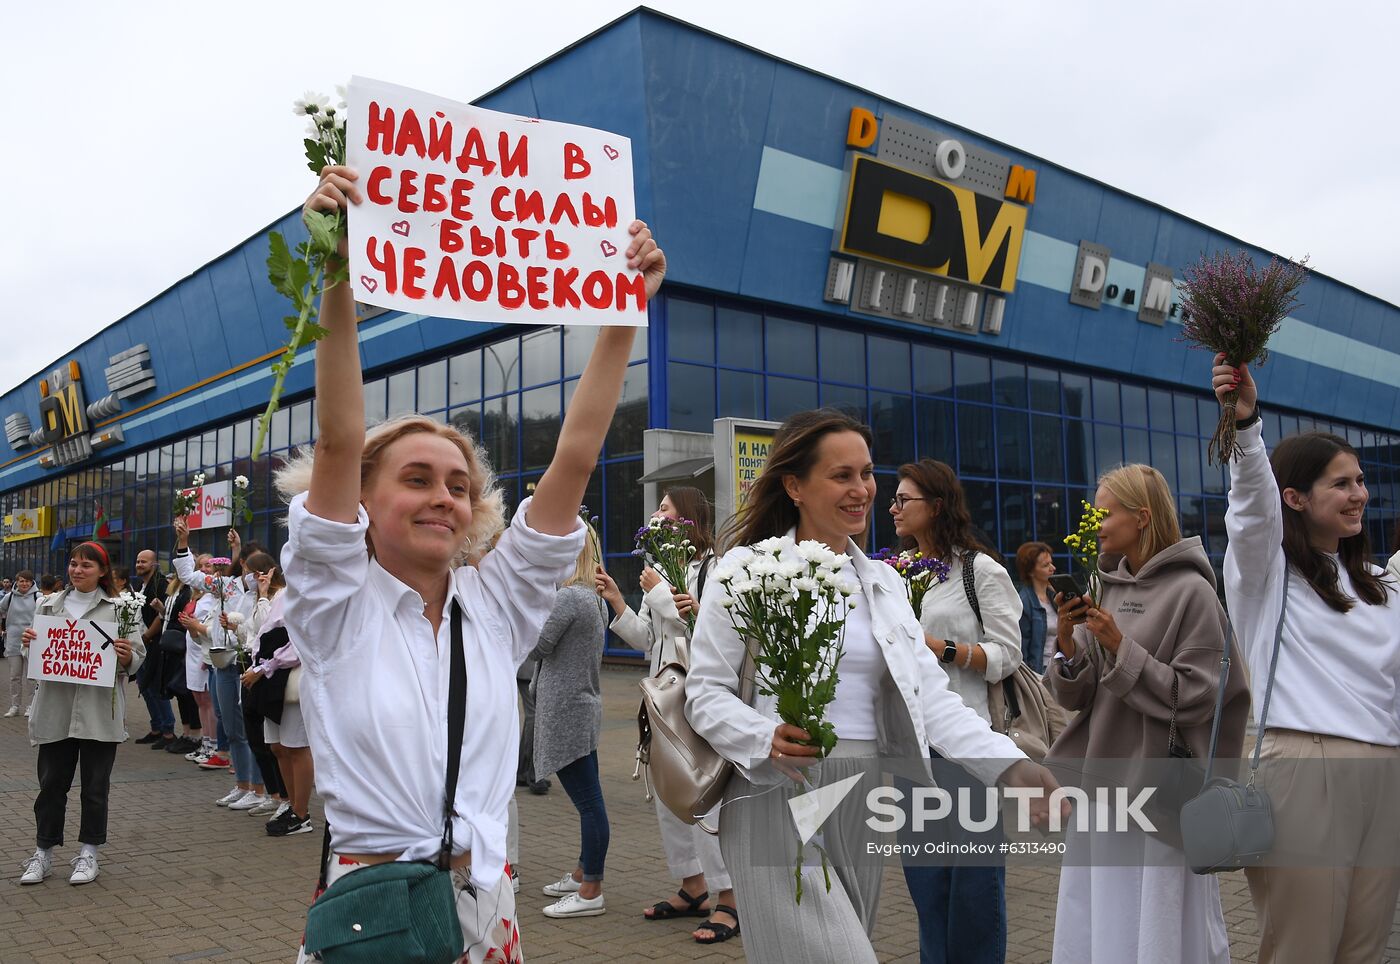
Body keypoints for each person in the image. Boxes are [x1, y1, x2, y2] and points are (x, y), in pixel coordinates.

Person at [278, 161, 665, 963]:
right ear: (364, 500)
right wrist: (337, 270)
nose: (443, 498)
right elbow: (338, 440)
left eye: (458, 486)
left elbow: (578, 454)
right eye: (415, 480)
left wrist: (623, 312)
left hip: (490, 914)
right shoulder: (334, 607)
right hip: (375, 918)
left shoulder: (495, 606)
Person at [686, 408, 1062, 963]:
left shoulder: (883, 582)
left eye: (866, 473)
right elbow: (705, 694)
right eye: (841, 476)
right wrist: (762, 735)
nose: (861, 489)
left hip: (864, 790)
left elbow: (931, 697)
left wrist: (1009, 764)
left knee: (848, 940)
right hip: (775, 789)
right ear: (794, 485)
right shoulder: (744, 571)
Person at [1211, 358, 1400, 964]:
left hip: (1385, 772)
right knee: (1303, 948)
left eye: (1362, 480)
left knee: (1364, 948)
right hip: (1304, 765)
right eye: (1341, 483)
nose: (1360, 495)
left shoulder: (1377, 583)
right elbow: (1251, 510)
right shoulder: (1264, 574)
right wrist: (1245, 428)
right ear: (1294, 496)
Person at [1045, 462, 1249, 963]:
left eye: (1103, 511)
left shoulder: (1193, 592)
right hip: (1102, 783)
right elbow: (1080, 697)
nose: (1095, 521)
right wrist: (1070, 645)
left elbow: (1198, 696)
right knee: (1099, 919)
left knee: (1154, 925)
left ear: (1140, 517)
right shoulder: (1108, 584)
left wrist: (1120, 645)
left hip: (1159, 793)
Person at [888, 459, 1024, 964]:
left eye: (905, 500)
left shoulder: (979, 570)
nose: (894, 508)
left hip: (967, 745)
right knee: (926, 886)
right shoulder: (893, 574)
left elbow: (1009, 653)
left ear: (937, 506)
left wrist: (938, 648)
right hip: (912, 745)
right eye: (894, 500)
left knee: (973, 889)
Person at [599, 486, 739, 943]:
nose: (656, 514)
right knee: (668, 793)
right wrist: (619, 601)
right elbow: (646, 638)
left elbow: (705, 631)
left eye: (664, 508)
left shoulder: (716, 568)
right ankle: (691, 887)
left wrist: (661, 593)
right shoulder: (656, 570)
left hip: (699, 696)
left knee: (703, 795)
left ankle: (729, 900)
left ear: (688, 519)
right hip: (663, 699)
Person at [18, 542, 145, 886]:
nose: (77, 570)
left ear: (102, 571)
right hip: (55, 711)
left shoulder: (121, 610)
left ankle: (89, 852)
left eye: (86, 565)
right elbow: (35, 654)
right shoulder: (48, 605)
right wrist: (29, 643)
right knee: (50, 787)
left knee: (94, 788)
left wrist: (125, 657)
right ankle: (43, 852)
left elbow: (137, 656)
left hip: (98, 713)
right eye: (73, 564)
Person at [533, 523, 612, 919]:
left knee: (589, 803)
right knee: (590, 797)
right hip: (581, 707)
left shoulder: (569, 599)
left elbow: (538, 645)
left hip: (567, 710)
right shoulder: (592, 598)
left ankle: (591, 889)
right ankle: (584, 871)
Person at [240, 566, 315, 837]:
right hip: (270, 678)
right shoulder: (283, 595)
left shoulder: (311, 596)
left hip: (290, 678)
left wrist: (264, 668)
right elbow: (261, 633)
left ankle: (301, 812)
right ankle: (289, 804)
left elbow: (301, 643)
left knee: (296, 746)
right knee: (277, 746)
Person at [131, 550, 177, 747]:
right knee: (144, 686)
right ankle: (156, 728)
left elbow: (163, 615)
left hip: (153, 643)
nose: (140, 564)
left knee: (156, 687)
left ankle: (168, 731)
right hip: (141, 644)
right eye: (138, 561)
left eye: (144, 562)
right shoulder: (140, 585)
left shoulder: (159, 584)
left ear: (154, 564)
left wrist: (147, 636)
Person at [1014, 542, 1059, 673]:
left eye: (1051, 562)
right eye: (1046, 565)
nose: (1053, 568)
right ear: (1030, 571)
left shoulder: (1055, 596)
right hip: (1041, 672)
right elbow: (1022, 649)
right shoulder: (1024, 602)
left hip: (1062, 668)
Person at [1, 570, 39, 717]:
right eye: (21, 581)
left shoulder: (38, 597)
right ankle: (14, 706)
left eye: (27, 581)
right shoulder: (9, 597)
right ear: (16, 582)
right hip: (13, 642)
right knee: (14, 676)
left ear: (32, 582)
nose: (24, 584)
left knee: (31, 677)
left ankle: (31, 706)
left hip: (32, 643)